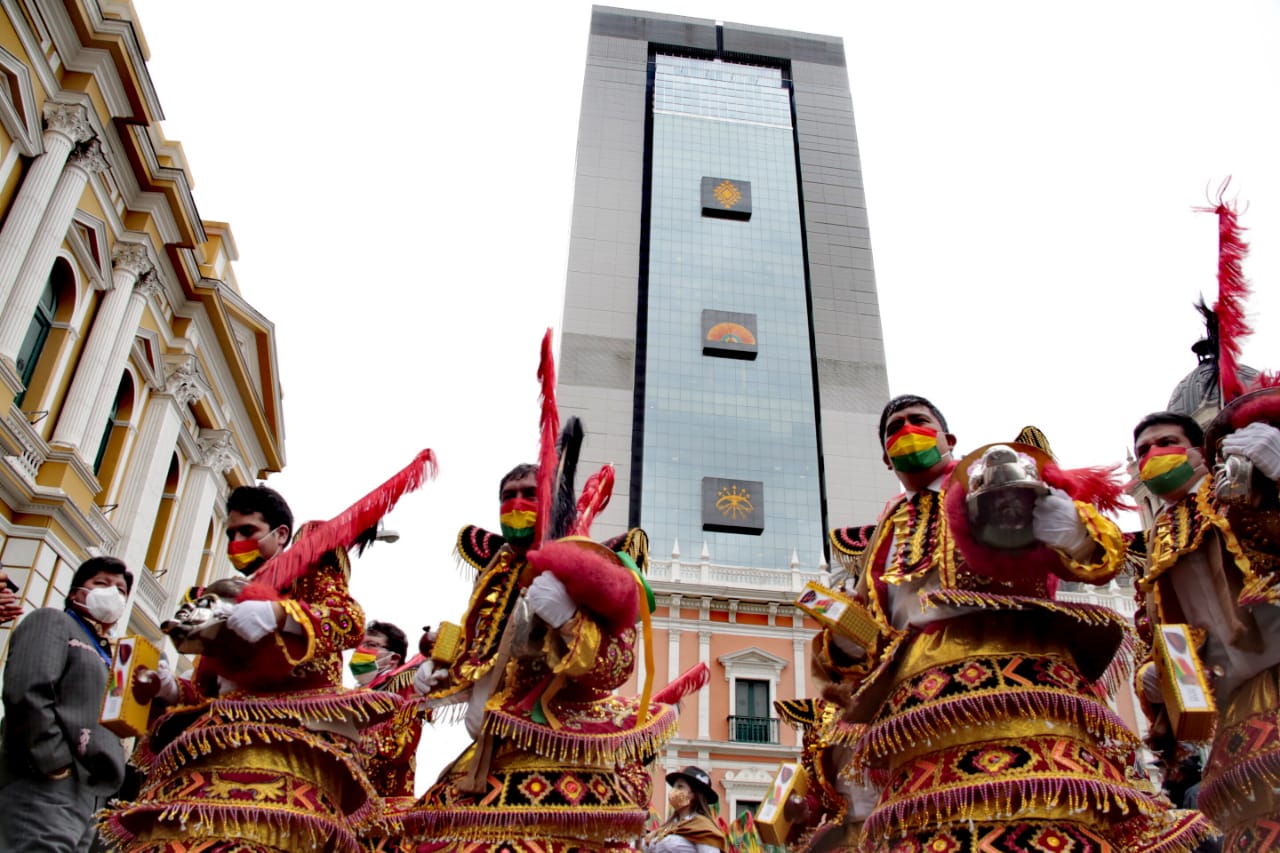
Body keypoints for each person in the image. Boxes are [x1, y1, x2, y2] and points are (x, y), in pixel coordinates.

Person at [815, 395, 1209, 853]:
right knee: (935, 831)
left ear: (948, 439)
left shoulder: (990, 480)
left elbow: (1099, 557)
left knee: (1044, 811)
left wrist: (1070, 529)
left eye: (918, 421)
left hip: (1018, 671)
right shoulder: (885, 529)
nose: (906, 431)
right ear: (886, 458)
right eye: (895, 428)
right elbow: (873, 636)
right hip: (917, 703)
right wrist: (846, 640)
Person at [100, 484, 405, 853]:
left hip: (284, 740)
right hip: (211, 744)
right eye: (231, 534)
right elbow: (206, 691)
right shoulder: (221, 599)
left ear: (280, 534)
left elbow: (347, 620)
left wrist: (279, 614)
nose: (237, 543)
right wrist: (170, 688)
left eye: (248, 531)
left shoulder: (307, 572)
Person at [397, 462, 683, 852]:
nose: (517, 504)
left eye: (530, 494)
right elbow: (482, 655)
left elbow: (618, 663)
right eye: (508, 496)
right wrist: (441, 674)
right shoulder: (497, 571)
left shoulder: (593, 565)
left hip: (559, 749)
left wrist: (569, 621)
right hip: (490, 750)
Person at [1132, 402, 1280, 850]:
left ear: (1199, 450)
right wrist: (1159, 676)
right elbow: (1158, 633)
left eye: (1167, 443)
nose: (1154, 455)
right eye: (1143, 451)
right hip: (1240, 708)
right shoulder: (1156, 540)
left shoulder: (1246, 487)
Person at [0, 556, 132, 852]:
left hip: (91, 793)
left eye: (121, 590)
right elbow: (27, 691)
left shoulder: (112, 656)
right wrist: (53, 763)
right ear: (75, 593)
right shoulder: (54, 621)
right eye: (101, 583)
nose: (112, 593)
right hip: (47, 779)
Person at [642, 766, 726, 853]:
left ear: (694, 795)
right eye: (674, 786)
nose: (674, 790)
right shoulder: (669, 826)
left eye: (680, 786)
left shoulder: (703, 827)